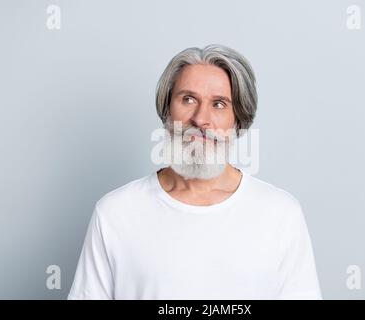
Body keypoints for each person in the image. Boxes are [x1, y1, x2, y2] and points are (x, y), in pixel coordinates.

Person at [68, 44, 322, 299]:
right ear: (167, 110)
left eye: (219, 104)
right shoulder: (115, 212)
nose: (201, 119)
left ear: (238, 120)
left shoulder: (280, 213)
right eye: (188, 99)